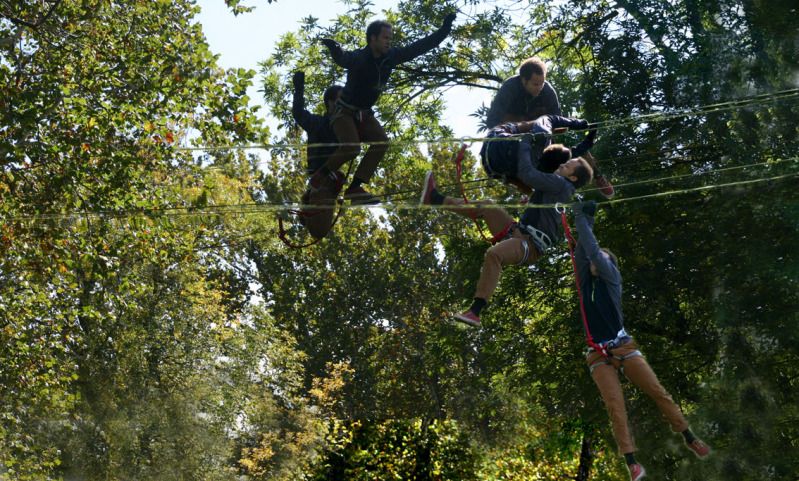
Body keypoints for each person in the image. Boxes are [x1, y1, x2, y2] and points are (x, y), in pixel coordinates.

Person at [572, 200, 711, 481]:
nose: (598, 259)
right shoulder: (586, 283)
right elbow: (583, 250)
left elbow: (592, 249)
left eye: (604, 257)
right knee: (615, 405)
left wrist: (582, 218)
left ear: (611, 265)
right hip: (598, 355)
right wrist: (585, 215)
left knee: (657, 391)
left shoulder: (612, 280)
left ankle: (688, 435)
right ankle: (632, 462)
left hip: (624, 347)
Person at [420, 153, 593, 326]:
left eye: (568, 165)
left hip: (529, 245)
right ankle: (433, 198)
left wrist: (526, 140)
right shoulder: (557, 187)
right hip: (518, 232)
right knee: (488, 206)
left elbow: (528, 173)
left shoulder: (561, 184)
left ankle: (475, 311)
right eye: (565, 162)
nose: (563, 164)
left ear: (573, 177)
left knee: (494, 254)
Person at [311, 13, 456, 206]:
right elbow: (344, 59)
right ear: (373, 38)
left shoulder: (391, 57)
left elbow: (419, 47)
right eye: (385, 38)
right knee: (351, 148)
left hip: (364, 113)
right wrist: (335, 49)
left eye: (390, 38)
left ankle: (355, 188)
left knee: (381, 142)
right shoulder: (360, 57)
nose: (389, 42)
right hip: (344, 112)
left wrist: (445, 29)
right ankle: (320, 176)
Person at [291, 71, 345, 239]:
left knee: (320, 231)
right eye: (340, 100)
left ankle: (309, 207)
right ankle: (309, 209)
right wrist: (299, 89)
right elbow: (298, 113)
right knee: (319, 232)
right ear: (330, 103)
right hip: (320, 178)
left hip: (328, 181)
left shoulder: (347, 125)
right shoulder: (318, 123)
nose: (344, 105)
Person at [485, 57, 561, 129]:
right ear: (524, 80)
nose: (539, 88)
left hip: (539, 135)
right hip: (509, 135)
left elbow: (558, 122)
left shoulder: (548, 91)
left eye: (542, 83)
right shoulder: (510, 87)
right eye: (535, 84)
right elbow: (492, 122)